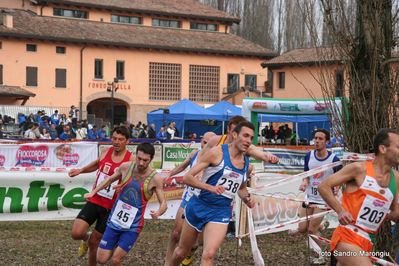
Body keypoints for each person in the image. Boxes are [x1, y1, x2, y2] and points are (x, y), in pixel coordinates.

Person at [171, 121, 256, 266]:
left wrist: (247, 198)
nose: (248, 141)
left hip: (220, 211)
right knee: (181, 252)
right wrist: (211, 188)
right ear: (234, 135)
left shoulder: (247, 165)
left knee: (209, 255)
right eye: (246, 136)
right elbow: (187, 178)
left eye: (251, 138)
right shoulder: (217, 153)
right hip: (199, 205)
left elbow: (241, 188)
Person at [318, 128, 399, 266]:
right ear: (383, 149)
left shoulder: (396, 179)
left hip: (367, 242)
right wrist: (340, 210)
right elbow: (323, 186)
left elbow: (394, 213)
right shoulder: (359, 169)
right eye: (398, 147)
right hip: (346, 238)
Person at [84, 142, 167, 265]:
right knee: (100, 259)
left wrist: (159, 212)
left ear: (151, 159)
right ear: (136, 155)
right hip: (114, 221)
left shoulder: (155, 178)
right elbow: (109, 180)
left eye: (145, 160)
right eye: (139, 158)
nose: (141, 163)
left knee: (116, 260)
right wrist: (94, 192)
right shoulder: (126, 167)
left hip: (132, 226)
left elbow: (163, 202)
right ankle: (116, 242)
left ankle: (119, 245)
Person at [69, 126, 135, 266]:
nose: (116, 142)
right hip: (95, 199)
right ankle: (85, 240)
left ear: (128, 141)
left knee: (95, 242)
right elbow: (97, 164)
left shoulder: (131, 159)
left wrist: (122, 187)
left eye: (121, 140)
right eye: (114, 138)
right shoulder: (105, 150)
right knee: (76, 233)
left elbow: (134, 182)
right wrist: (81, 170)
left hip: (111, 208)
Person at [164, 132, 216, 266]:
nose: (207, 146)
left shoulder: (217, 158)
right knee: (176, 233)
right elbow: (183, 166)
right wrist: (169, 174)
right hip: (188, 198)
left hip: (205, 201)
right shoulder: (194, 153)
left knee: (204, 241)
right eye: (205, 143)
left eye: (211, 144)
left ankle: (193, 248)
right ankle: (168, 263)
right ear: (201, 142)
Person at [298, 128, 341, 264]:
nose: (316, 141)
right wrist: (304, 182)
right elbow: (306, 175)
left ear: (327, 142)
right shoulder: (308, 156)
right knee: (302, 229)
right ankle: (322, 227)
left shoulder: (334, 159)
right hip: (309, 197)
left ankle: (319, 256)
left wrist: (337, 186)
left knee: (311, 229)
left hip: (323, 199)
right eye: (315, 138)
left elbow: (340, 177)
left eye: (320, 139)